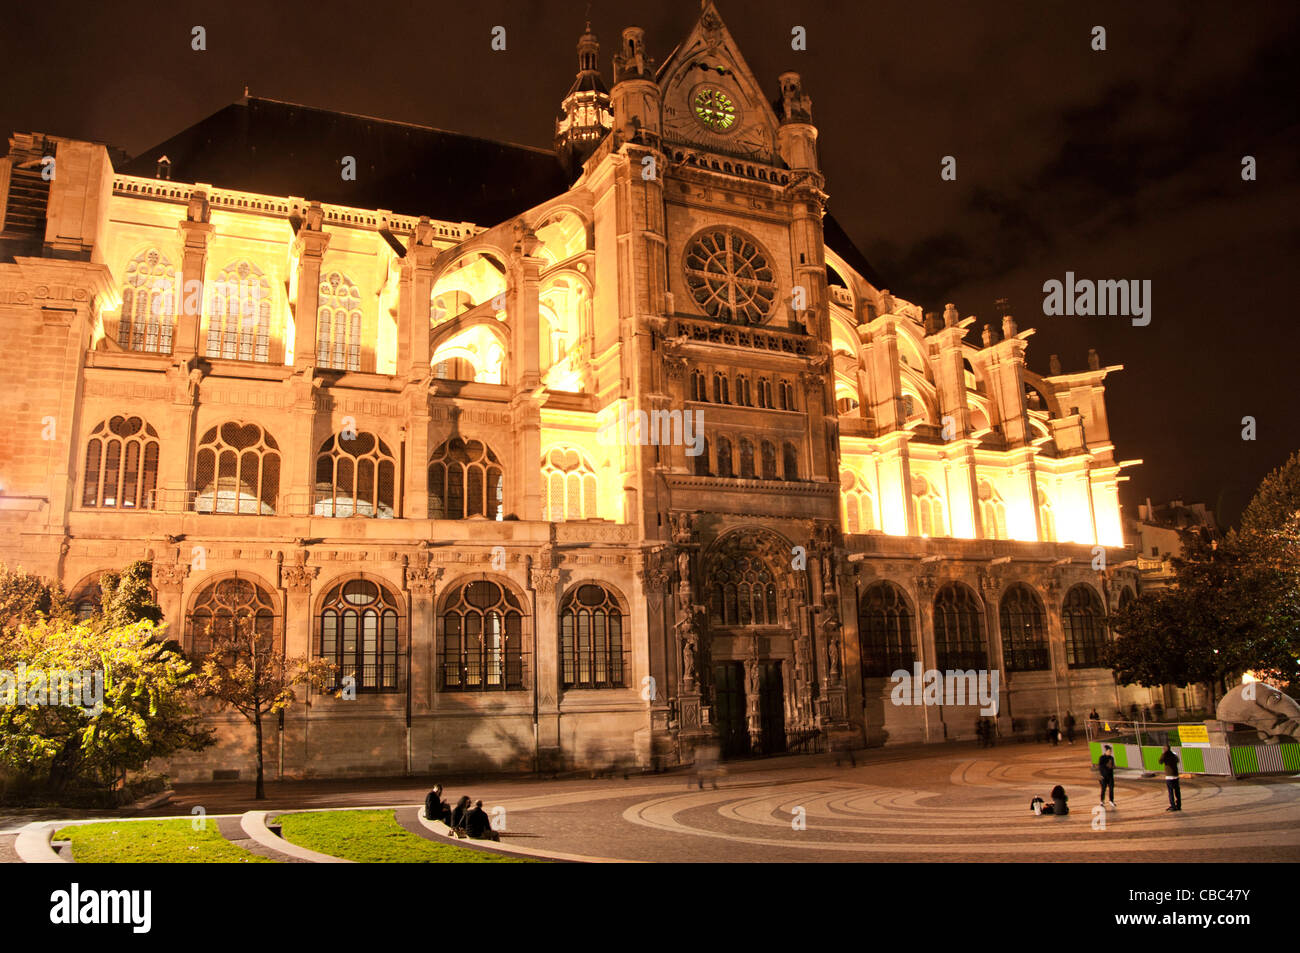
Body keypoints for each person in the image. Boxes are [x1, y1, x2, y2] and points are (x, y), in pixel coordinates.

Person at [1159, 744, 1182, 811]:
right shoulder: (1174, 754)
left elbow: (1160, 761)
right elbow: (1177, 760)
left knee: (1170, 791)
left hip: (1169, 776)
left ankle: (1173, 806)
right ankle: (1179, 805)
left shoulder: (1165, 755)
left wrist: (1163, 754)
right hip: (1175, 775)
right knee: (1177, 791)